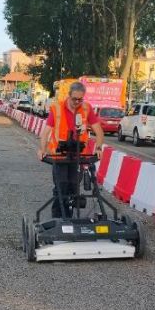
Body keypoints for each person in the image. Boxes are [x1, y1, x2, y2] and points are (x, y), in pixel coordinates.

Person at [37, 81, 105, 218]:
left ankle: (69, 217)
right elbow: (45, 133)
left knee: (74, 188)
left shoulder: (86, 108)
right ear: (69, 95)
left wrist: (98, 147)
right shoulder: (57, 108)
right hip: (59, 156)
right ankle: (58, 218)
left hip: (78, 156)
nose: (77, 102)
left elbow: (99, 131)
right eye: (74, 99)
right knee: (61, 187)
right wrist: (42, 149)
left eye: (80, 99)